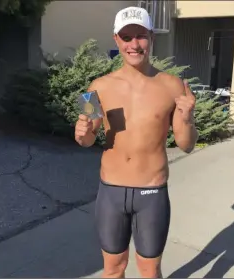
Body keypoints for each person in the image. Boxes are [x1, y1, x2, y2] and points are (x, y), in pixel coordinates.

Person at [75, 6, 198, 278]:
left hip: (151, 193)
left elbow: (186, 144)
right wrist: (82, 133)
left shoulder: (173, 86)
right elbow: (86, 137)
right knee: (112, 269)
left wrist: (188, 119)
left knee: (150, 270)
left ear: (151, 37)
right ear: (116, 40)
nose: (134, 44)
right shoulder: (96, 87)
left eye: (140, 36)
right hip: (111, 192)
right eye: (126, 37)